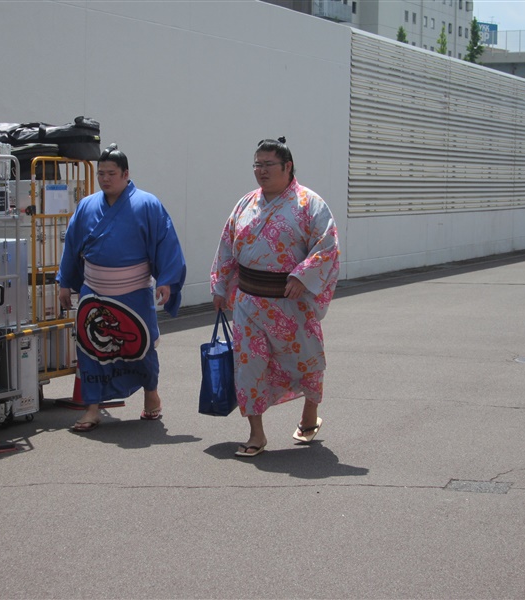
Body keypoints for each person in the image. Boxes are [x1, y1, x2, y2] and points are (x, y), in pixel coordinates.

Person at [210, 137, 340, 457]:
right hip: (248, 302)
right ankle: (256, 434)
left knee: (308, 362)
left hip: (291, 302)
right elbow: (227, 244)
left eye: (268, 164)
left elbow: (327, 246)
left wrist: (302, 274)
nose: (262, 171)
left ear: (287, 166)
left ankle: (310, 413)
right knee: (248, 367)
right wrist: (219, 285)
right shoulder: (245, 203)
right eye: (258, 164)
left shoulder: (310, 204)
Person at [57, 144, 186, 432]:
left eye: (111, 173)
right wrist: (65, 281)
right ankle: (92, 408)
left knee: (141, 347)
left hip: (134, 291)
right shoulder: (86, 205)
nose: (105, 179)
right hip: (94, 290)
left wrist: (166, 280)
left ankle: (151, 395)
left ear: (126, 174)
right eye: (101, 173)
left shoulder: (148, 204)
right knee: (90, 349)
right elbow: (72, 245)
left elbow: (166, 242)